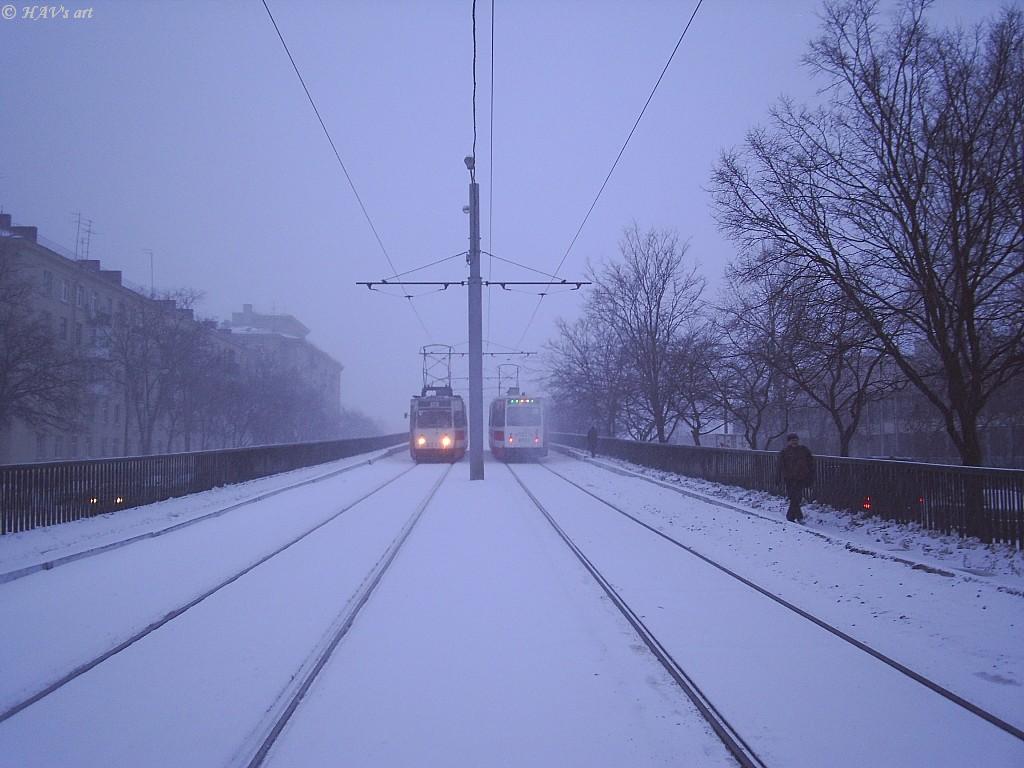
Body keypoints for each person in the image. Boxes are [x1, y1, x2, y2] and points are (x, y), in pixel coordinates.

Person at [778, 433, 814, 522]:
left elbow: (811, 463)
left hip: (801, 477)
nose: (794, 442)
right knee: (793, 497)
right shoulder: (784, 452)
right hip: (789, 478)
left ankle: (791, 516)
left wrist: (810, 475)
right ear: (788, 442)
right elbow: (780, 466)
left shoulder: (804, 450)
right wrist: (779, 477)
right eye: (792, 440)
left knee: (797, 497)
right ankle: (797, 517)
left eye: (796, 440)